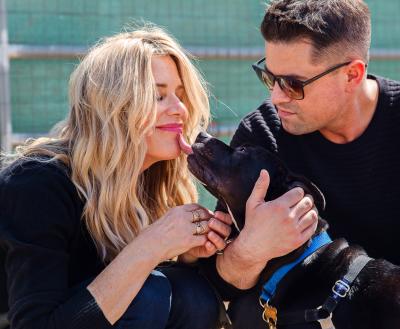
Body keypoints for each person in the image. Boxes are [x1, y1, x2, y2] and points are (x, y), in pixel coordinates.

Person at [0, 26, 237, 329]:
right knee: (148, 294)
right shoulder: (36, 184)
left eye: (180, 95)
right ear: (114, 108)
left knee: (192, 294)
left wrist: (187, 255)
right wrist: (153, 244)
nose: (180, 109)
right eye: (158, 95)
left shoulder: (152, 180)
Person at [202, 0, 400, 328]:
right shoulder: (262, 137)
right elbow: (219, 284)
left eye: (293, 84)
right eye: (269, 77)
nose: (277, 97)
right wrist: (249, 251)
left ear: (352, 75)